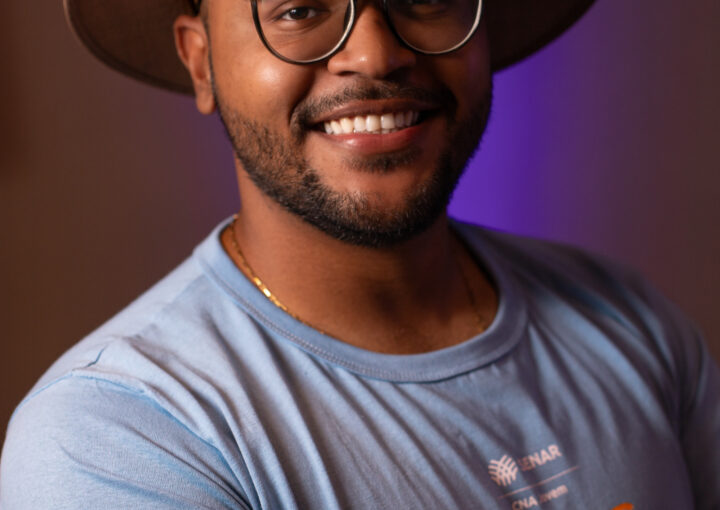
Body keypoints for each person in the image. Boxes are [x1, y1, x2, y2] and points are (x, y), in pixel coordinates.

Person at [1, 0, 718, 507]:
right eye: (300, 9)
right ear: (201, 62)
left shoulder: (632, 324)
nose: (376, 54)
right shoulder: (122, 435)